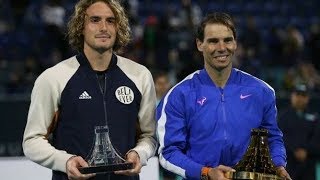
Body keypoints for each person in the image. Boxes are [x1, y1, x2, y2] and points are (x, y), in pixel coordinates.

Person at [22, 0, 157, 180]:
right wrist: (66, 161)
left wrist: (139, 153)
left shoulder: (140, 76)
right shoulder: (53, 78)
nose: (103, 27)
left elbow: (149, 136)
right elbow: (32, 141)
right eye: (95, 20)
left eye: (110, 21)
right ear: (81, 27)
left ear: (119, 28)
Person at [156, 12, 291, 180]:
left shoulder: (261, 91)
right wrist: (206, 172)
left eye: (227, 40)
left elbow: (273, 139)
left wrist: (278, 166)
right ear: (200, 44)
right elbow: (169, 153)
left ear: (235, 43)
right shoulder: (179, 95)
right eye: (213, 41)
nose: (222, 48)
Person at [279, 83, 320, 180]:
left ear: (308, 98)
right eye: (297, 95)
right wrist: (294, 149)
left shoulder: (315, 117)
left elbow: (317, 137)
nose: (300, 98)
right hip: (288, 163)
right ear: (292, 96)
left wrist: (306, 150)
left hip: (308, 164)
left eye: (303, 95)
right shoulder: (283, 116)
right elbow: (279, 137)